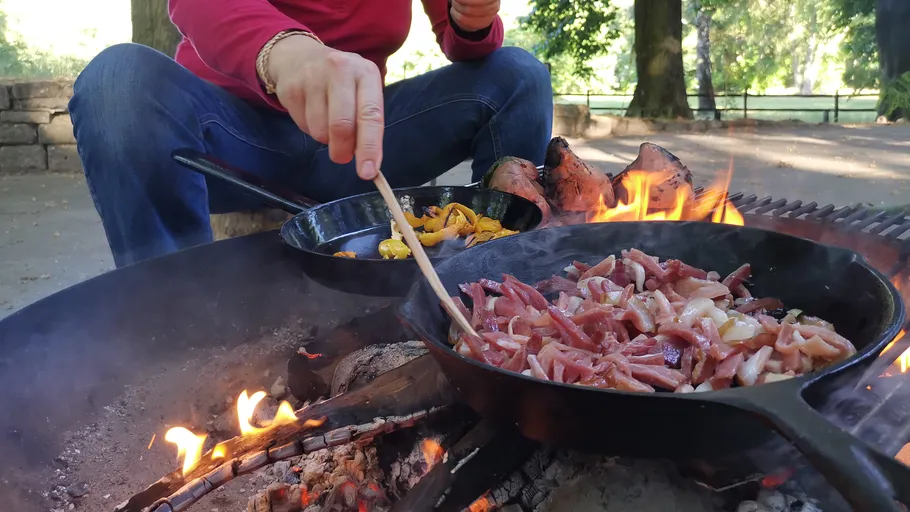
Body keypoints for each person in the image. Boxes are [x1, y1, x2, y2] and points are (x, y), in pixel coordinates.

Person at [69, 0, 554, 268]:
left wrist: (471, 20)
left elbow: (460, 39)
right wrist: (287, 53)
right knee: (118, 82)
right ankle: (174, 322)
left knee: (519, 77)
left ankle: (503, 285)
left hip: (356, 141)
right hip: (230, 139)